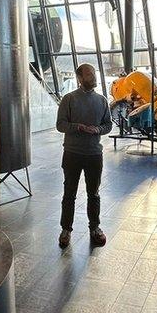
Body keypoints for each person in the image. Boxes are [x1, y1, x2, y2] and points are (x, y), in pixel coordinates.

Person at [56, 64, 113, 249]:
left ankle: (95, 228)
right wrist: (78, 127)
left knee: (93, 194)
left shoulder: (102, 100)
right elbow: (60, 125)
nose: (93, 77)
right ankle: (66, 229)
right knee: (69, 193)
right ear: (80, 78)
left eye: (94, 73)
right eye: (89, 74)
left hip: (94, 154)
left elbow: (108, 125)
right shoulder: (69, 99)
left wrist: (98, 129)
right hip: (72, 153)